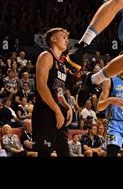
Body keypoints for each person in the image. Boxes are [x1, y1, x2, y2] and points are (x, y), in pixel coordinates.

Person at [32, 28, 73, 157]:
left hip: (59, 110)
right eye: (63, 37)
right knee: (45, 152)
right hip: (46, 110)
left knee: (64, 152)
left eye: (67, 37)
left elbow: (58, 90)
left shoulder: (62, 64)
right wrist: (57, 110)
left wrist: (67, 106)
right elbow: (41, 87)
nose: (67, 40)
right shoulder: (46, 56)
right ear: (53, 39)